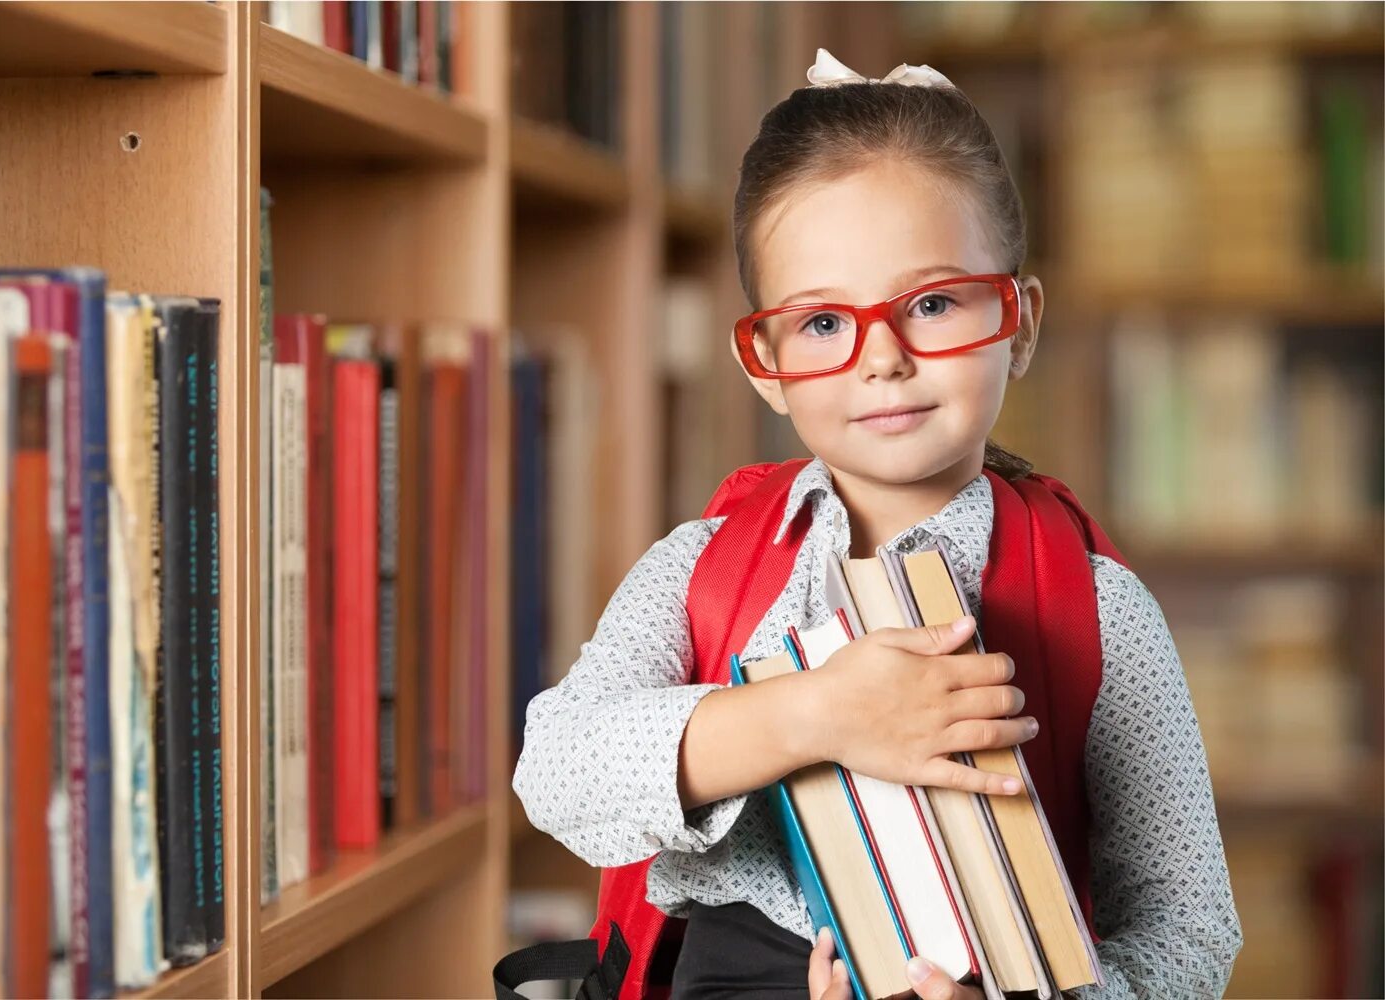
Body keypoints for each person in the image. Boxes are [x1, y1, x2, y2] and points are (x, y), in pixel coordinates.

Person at [511, 47, 1242, 1000]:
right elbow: (556, 770)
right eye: (822, 324)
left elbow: (1190, 928)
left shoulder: (1099, 611)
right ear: (763, 361)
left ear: (1018, 322)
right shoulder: (704, 570)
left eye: (932, 303)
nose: (882, 358)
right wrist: (820, 714)